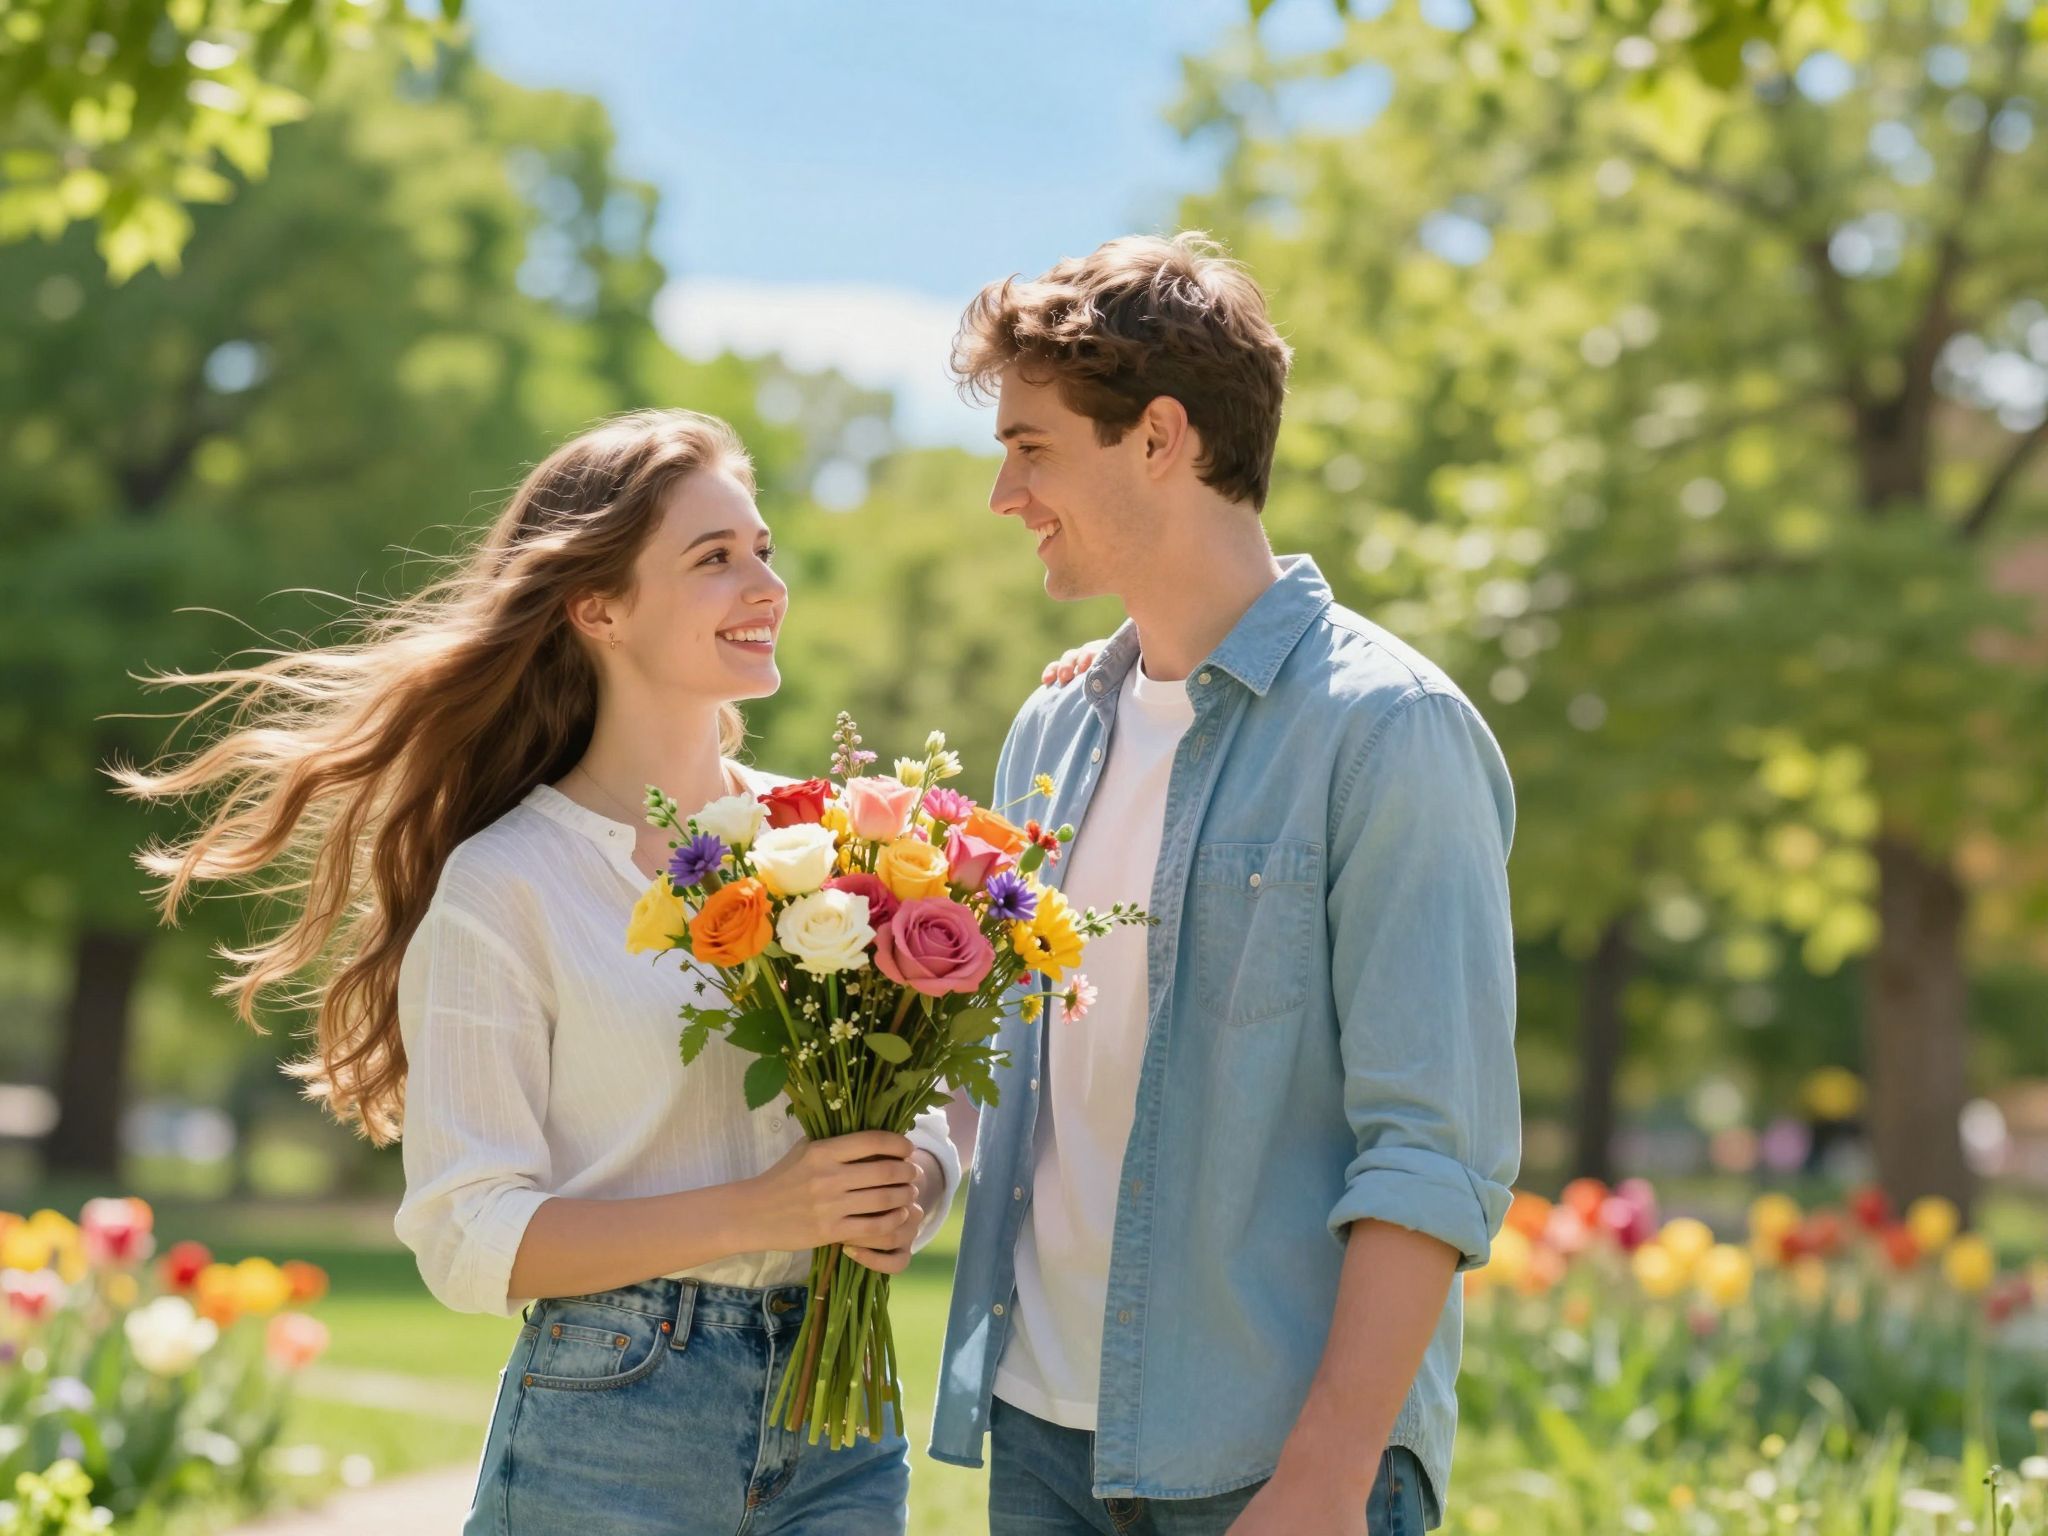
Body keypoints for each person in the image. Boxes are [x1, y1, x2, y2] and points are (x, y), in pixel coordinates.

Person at [118, 409, 961, 1535]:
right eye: (713, 559)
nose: (764, 583)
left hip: (841, 1415)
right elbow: (471, 1238)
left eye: (760, 548)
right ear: (597, 606)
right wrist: (762, 1210)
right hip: (614, 1420)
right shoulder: (504, 883)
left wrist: (912, 1189)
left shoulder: (840, 846)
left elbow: (937, 1104)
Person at [929, 234, 1523, 1535]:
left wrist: (1324, 1479)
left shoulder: (1387, 732)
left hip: (1274, 1466)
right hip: (1041, 1440)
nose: (1004, 494)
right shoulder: (1052, 732)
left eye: (1031, 448)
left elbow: (1435, 1153)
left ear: (1159, 438)